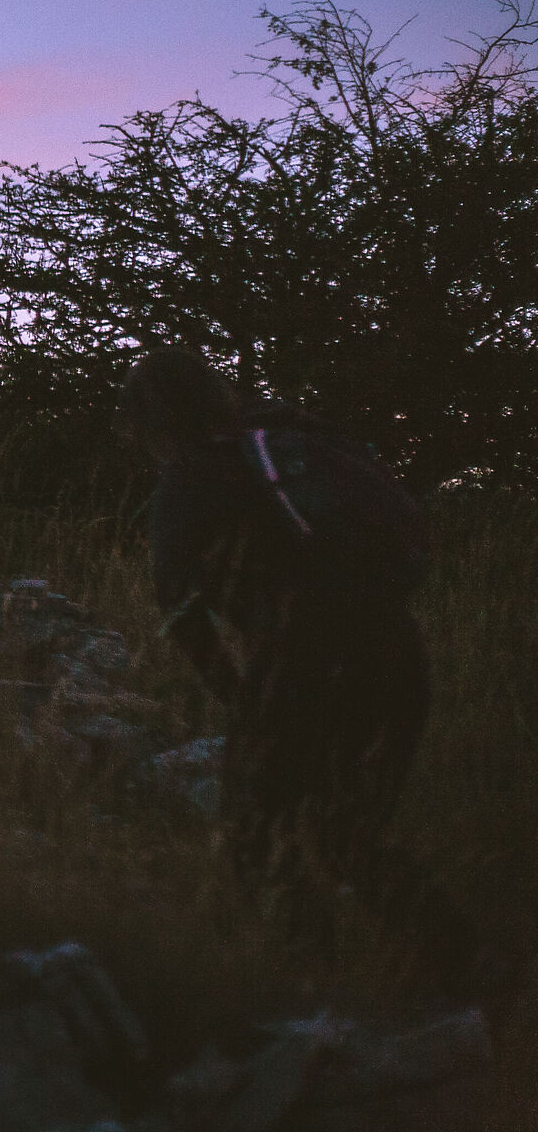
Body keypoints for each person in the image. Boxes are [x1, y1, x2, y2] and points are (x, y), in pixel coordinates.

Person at [124, 347, 491, 999]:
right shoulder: (287, 439)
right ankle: (474, 975)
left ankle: (314, 989)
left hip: (298, 658)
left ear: (149, 421)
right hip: (396, 649)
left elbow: (182, 617)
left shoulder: (187, 480)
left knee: (251, 828)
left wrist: (244, 702)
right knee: (347, 832)